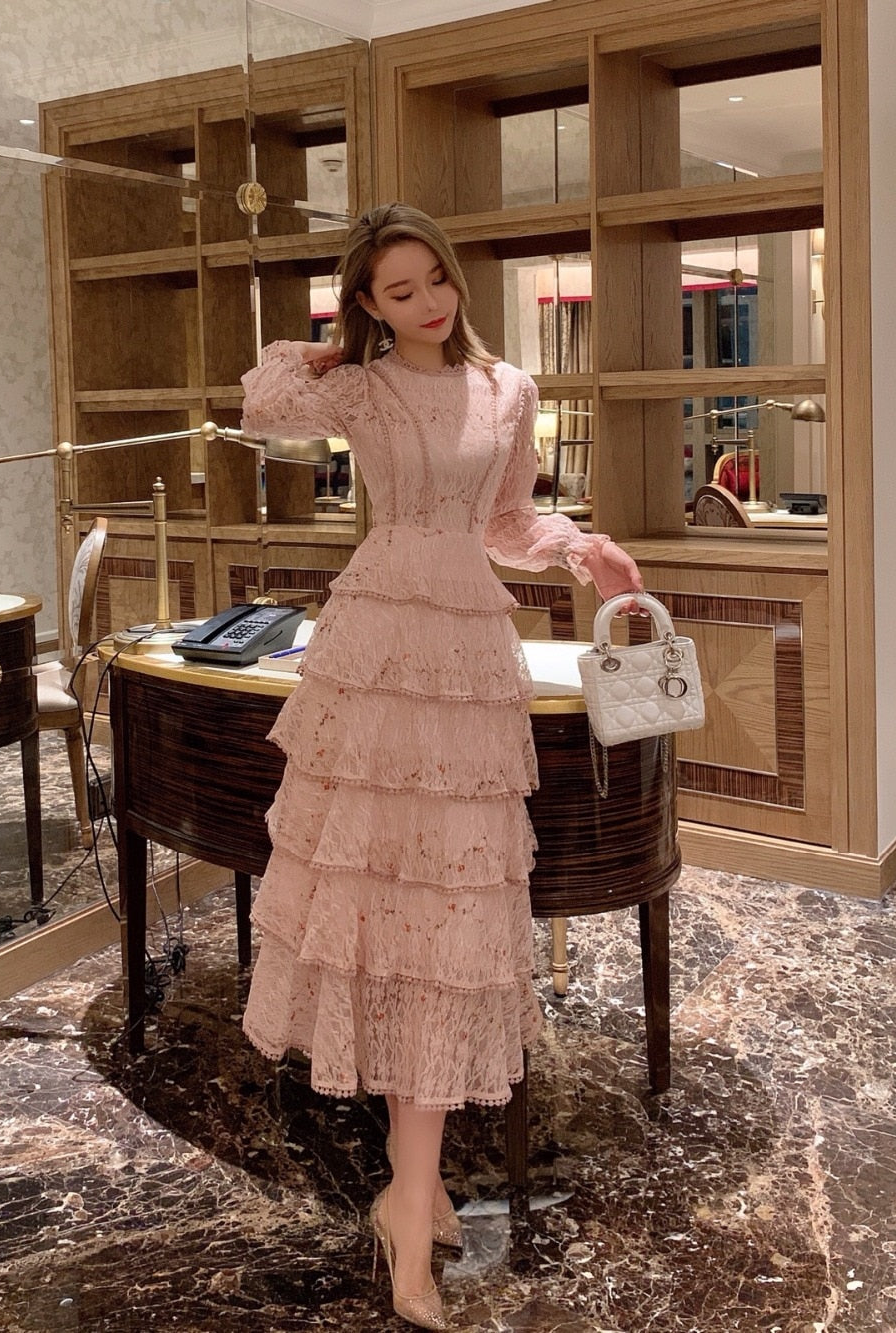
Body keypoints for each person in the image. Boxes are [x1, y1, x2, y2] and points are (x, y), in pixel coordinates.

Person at [239, 202, 643, 1330]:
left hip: (465, 648)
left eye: (435, 280)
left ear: (457, 278)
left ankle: (407, 1203)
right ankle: (411, 1213)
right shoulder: (362, 389)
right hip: (374, 646)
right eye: (398, 290)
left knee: (450, 910)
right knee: (379, 902)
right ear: (369, 302)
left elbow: (506, 520)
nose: (426, 303)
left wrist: (582, 548)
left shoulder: (509, 388)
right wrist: (330, 344)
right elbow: (263, 402)